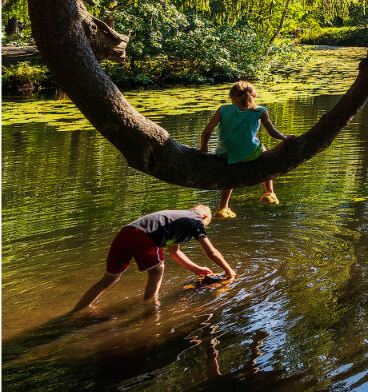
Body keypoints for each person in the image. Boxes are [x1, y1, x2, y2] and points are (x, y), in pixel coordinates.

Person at [72, 205, 234, 312]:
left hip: (125, 233)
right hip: (142, 236)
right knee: (157, 270)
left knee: (109, 279)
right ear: (205, 217)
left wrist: (198, 269)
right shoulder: (195, 220)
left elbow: (174, 253)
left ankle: (77, 310)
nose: (203, 228)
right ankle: (150, 309)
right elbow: (211, 252)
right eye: (206, 225)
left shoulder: (178, 222)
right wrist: (229, 272)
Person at [199, 80, 294, 218]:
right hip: (249, 153)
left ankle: (222, 208)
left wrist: (204, 148)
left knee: (230, 174)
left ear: (232, 97)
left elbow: (206, 132)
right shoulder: (260, 111)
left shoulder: (223, 109)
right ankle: (269, 192)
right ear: (253, 96)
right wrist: (285, 138)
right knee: (265, 152)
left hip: (225, 153)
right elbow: (272, 132)